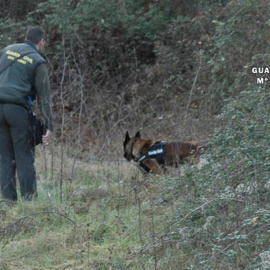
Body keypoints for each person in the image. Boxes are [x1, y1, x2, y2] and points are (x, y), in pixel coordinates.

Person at [0, 27, 53, 203]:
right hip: (18, 111)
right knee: (24, 157)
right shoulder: (38, 61)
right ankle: (30, 203)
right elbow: (44, 98)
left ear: (26, 39)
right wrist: (49, 126)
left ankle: (8, 203)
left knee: (5, 158)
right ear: (42, 41)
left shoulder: (7, 50)